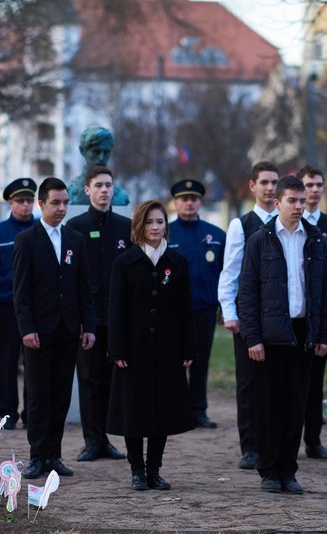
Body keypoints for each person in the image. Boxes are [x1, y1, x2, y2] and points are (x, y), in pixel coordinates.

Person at [238, 175, 327, 495]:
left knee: (296, 405)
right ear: (277, 203)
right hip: (269, 335)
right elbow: (248, 293)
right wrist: (252, 338)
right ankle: (268, 470)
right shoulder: (259, 239)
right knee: (268, 406)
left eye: (302, 200)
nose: (298, 206)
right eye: (292, 201)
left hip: (303, 333)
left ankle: (288, 470)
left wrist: (325, 334)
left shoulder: (317, 240)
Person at [106, 200, 196, 491]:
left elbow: (185, 309)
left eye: (160, 222)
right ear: (139, 226)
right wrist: (117, 348)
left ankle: (154, 469)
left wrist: (187, 348)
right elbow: (115, 309)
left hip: (168, 349)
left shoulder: (177, 263)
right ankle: (136, 470)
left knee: (162, 410)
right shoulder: (124, 262)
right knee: (135, 410)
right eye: (149, 222)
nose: (155, 227)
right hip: (134, 349)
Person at [13, 177, 96, 479]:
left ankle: (54, 454)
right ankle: (37, 455)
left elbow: (84, 288)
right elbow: (20, 293)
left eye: (65, 203)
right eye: (55, 203)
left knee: (61, 393)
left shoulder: (75, 240)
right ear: (41, 204)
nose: (61, 208)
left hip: (68, 329)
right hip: (38, 332)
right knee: (38, 394)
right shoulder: (27, 240)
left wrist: (88, 325)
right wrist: (26, 328)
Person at [217, 161, 279, 469]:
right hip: (249, 317)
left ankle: (275, 443)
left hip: (281, 318)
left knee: (277, 383)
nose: (270, 188)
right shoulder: (241, 224)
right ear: (252, 186)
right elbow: (230, 272)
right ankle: (250, 446)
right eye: (264, 182)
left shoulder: (289, 222)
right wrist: (230, 312)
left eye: (274, 182)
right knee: (249, 384)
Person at [65, 165, 130, 462]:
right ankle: (92, 440)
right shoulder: (75, 228)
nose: (104, 190)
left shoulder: (125, 227)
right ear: (87, 190)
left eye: (109, 185)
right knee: (89, 379)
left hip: (117, 318)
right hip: (88, 319)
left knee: (113, 380)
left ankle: (107, 438)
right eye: (99, 186)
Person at [0, 177, 37, 430]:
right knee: (9, 361)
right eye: (20, 201)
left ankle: (32, 412)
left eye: (29, 200)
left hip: (36, 308)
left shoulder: (43, 230)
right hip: (6, 307)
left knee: (35, 364)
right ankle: (8, 412)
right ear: (10, 203)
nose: (25, 206)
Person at [167, 179, 225, 429]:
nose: (188, 203)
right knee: (174, 361)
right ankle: (176, 410)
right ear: (176, 202)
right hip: (173, 311)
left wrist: (224, 305)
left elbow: (225, 273)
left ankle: (198, 410)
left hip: (205, 308)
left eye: (193, 199)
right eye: (183, 199)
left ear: (200, 202)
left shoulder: (216, 235)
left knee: (201, 361)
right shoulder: (166, 233)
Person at [297, 164, 327, 460]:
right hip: (293, 313)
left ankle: (313, 439)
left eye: (317, 185)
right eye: (308, 185)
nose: (313, 190)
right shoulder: (290, 222)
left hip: (316, 316)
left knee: (315, 382)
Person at [67, 126, 128, 205]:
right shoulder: (69, 193)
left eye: (106, 152)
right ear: (82, 151)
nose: (101, 157)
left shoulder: (121, 196)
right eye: (96, 152)